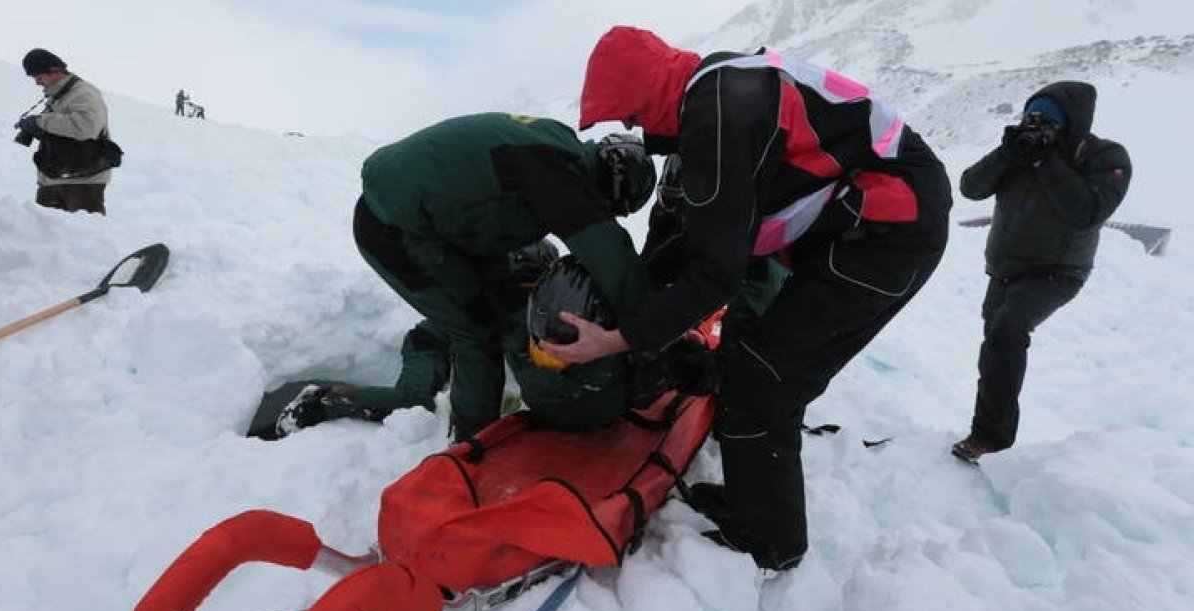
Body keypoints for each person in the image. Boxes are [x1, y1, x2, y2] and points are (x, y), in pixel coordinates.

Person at [545, 26, 952, 572]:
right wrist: (636, 283)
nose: (631, 127)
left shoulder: (717, 112)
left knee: (764, 379)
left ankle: (773, 543)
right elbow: (714, 233)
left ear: (648, 91)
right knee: (755, 366)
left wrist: (618, 340)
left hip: (885, 233)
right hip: (874, 227)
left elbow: (718, 272)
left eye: (631, 114)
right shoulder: (725, 87)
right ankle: (753, 504)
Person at [345, 112, 656, 440]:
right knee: (476, 333)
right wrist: (651, 337)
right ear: (616, 187)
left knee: (494, 311)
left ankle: (473, 399)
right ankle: (469, 445)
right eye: (615, 209)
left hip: (442, 227)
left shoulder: (559, 148)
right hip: (396, 232)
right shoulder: (561, 175)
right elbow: (609, 253)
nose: (607, 214)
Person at [951, 82, 1132, 465]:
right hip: (1005, 268)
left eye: (1049, 121)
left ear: (1074, 124)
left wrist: (1046, 162)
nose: (1038, 127)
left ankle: (989, 439)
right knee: (996, 348)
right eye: (1032, 118)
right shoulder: (1019, 152)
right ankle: (987, 433)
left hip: (1058, 271)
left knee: (1007, 330)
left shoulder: (1105, 156)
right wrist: (1006, 154)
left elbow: (1087, 213)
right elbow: (970, 187)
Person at [14, 48, 116, 215]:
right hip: (53, 179)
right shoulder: (59, 95)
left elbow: (86, 127)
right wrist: (35, 129)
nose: (37, 82)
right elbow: (65, 133)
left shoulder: (84, 92)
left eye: (39, 76)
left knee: (84, 237)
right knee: (43, 239)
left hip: (83, 182)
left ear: (54, 71)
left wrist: (40, 121)